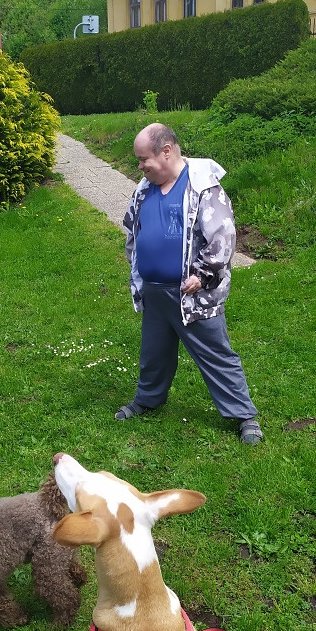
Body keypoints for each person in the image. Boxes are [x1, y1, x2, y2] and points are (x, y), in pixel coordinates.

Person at [115, 122, 263, 445]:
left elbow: (223, 236)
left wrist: (203, 273)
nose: (140, 167)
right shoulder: (145, 188)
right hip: (154, 291)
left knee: (215, 353)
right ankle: (147, 399)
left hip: (192, 293)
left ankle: (244, 415)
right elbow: (132, 229)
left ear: (166, 152)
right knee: (154, 352)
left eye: (143, 159)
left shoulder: (203, 187)